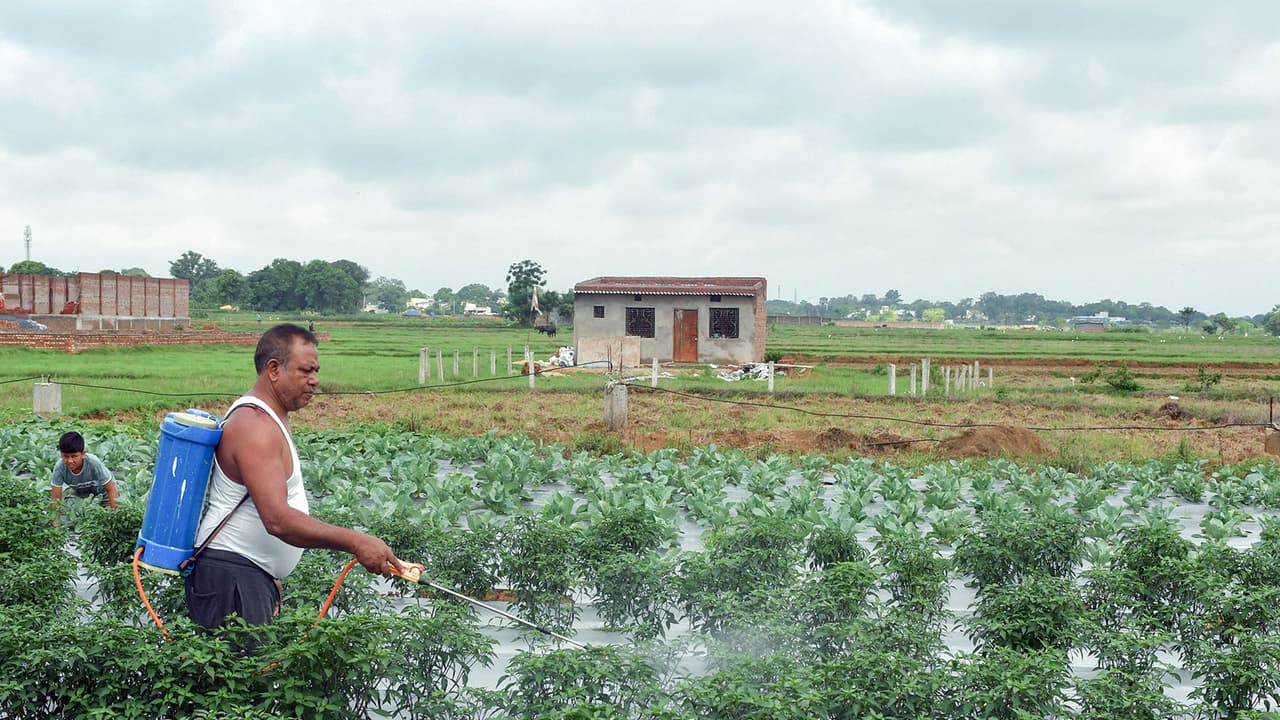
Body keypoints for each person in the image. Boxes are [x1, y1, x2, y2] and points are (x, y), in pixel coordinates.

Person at [184, 323, 402, 634]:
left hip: (244, 574)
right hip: (231, 578)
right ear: (274, 369)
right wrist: (357, 541)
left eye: (316, 371)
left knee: (248, 677)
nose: (315, 381)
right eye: (306, 371)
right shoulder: (254, 426)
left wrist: (267, 572)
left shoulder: (270, 417)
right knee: (239, 680)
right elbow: (277, 520)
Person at [50, 431, 118, 523]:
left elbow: (111, 490)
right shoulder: (59, 467)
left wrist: (116, 518)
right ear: (61, 454)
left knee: (106, 517)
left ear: (83, 454)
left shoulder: (93, 463)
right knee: (69, 512)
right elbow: (55, 498)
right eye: (65, 456)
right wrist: (54, 523)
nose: (70, 461)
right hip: (81, 492)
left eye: (74, 456)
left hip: (102, 492)